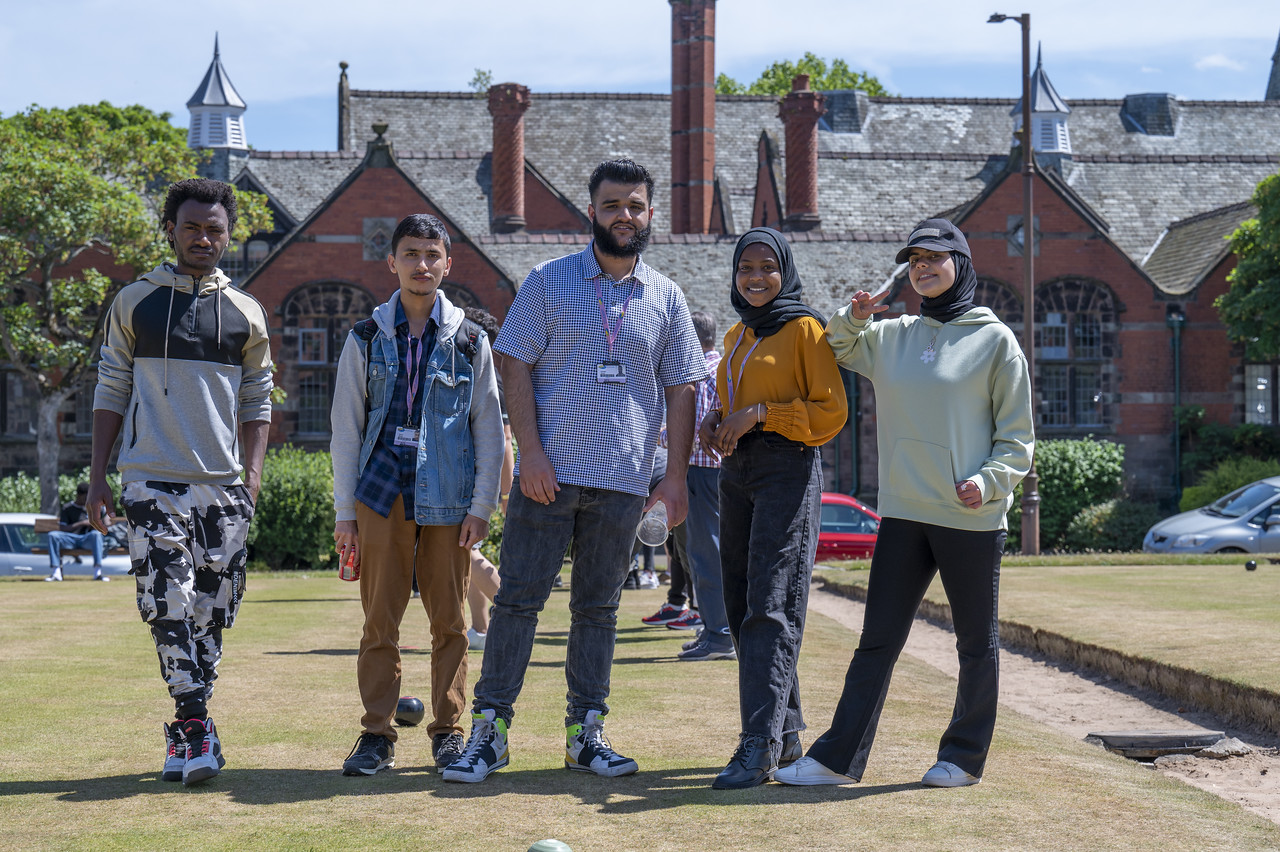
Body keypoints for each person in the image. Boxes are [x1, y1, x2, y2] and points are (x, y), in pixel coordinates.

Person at [443, 158, 705, 784]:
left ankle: (584, 735)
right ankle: (490, 733)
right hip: (548, 477)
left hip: (623, 482)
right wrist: (528, 451)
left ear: (650, 213)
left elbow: (682, 388)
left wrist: (673, 480)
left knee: (598, 610)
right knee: (518, 605)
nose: (624, 216)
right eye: (612, 205)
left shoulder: (666, 295)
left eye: (636, 205)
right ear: (592, 212)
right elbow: (513, 363)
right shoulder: (550, 280)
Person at [775, 218, 1034, 789]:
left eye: (935, 258)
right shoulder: (893, 335)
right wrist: (857, 313)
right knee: (877, 642)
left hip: (969, 515)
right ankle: (835, 760)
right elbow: (837, 345)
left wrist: (987, 483)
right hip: (903, 512)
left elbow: (1018, 440)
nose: (923, 267)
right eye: (915, 259)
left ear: (960, 266)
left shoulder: (995, 342)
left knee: (975, 643)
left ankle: (963, 758)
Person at [86, 178, 272, 787]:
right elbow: (111, 386)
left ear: (228, 234)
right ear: (170, 229)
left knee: (212, 616)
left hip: (223, 489)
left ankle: (187, 728)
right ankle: (195, 726)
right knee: (167, 603)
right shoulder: (134, 301)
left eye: (214, 229)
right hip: (151, 480)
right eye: (191, 227)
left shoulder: (246, 312)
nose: (203, 238)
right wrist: (98, 479)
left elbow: (257, 400)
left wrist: (251, 480)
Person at [330, 214, 505, 777]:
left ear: (448, 264)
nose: (422, 265)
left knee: (450, 622)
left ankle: (449, 731)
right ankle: (376, 734)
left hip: (449, 498)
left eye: (433, 255)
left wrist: (482, 506)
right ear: (393, 262)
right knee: (379, 621)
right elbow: (345, 431)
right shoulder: (363, 338)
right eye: (411, 254)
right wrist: (344, 516)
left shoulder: (470, 341)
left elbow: (488, 427)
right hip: (380, 495)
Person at [698, 227, 848, 789]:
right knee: (740, 602)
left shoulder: (804, 328)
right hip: (737, 472)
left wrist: (760, 413)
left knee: (771, 601)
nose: (756, 278)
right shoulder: (738, 333)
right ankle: (785, 736)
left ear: (785, 270)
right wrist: (719, 421)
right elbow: (731, 403)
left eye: (767, 267)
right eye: (745, 269)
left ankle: (756, 747)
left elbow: (830, 412)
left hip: (788, 466)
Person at [670, 310, 731, 659]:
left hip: (703, 473)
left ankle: (719, 636)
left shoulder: (700, 371)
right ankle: (716, 630)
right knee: (709, 550)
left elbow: (697, 433)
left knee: (706, 553)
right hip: (716, 474)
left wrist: (665, 435)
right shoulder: (721, 367)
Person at [45, 482, 108, 582]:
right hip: (71, 539)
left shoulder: (94, 506)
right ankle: (56, 573)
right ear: (79, 495)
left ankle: (98, 573)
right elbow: (63, 528)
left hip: (86, 539)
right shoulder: (68, 508)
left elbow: (106, 524)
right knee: (52, 535)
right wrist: (82, 523)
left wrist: (101, 516)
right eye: (86, 497)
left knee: (96, 534)